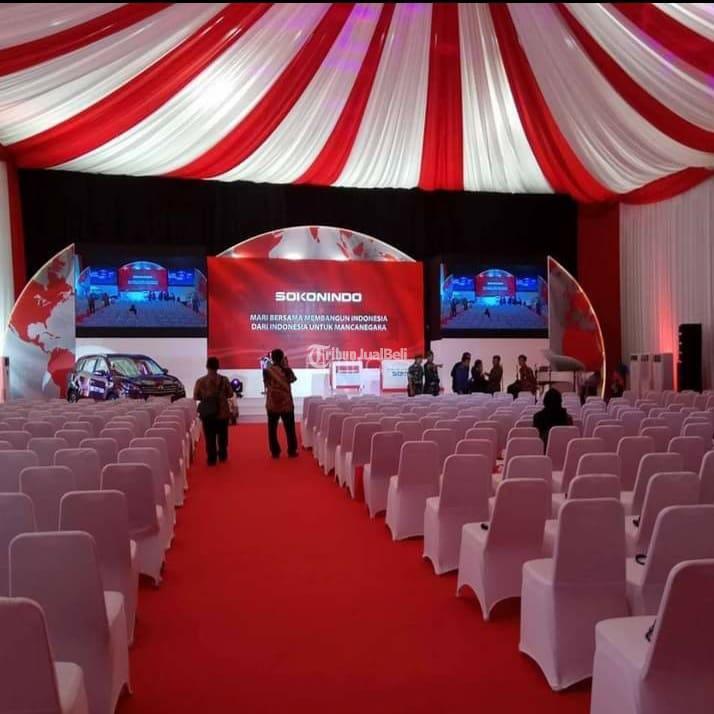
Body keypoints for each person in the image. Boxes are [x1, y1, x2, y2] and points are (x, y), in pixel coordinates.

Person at [193, 356, 232, 466]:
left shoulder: (200, 381)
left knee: (209, 436)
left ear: (207, 366)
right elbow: (230, 394)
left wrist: (207, 397)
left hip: (208, 413)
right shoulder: (224, 380)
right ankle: (223, 455)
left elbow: (196, 396)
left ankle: (211, 458)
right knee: (223, 435)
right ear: (218, 367)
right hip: (222, 412)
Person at [263, 348, 298, 458]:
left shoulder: (267, 371)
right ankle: (292, 450)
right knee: (290, 429)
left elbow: (266, 384)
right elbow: (293, 379)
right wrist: (286, 366)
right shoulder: (287, 370)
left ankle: (275, 452)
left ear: (272, 358)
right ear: (282, 358)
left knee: (272, 429)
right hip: (286, 404)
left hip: (272, 404)